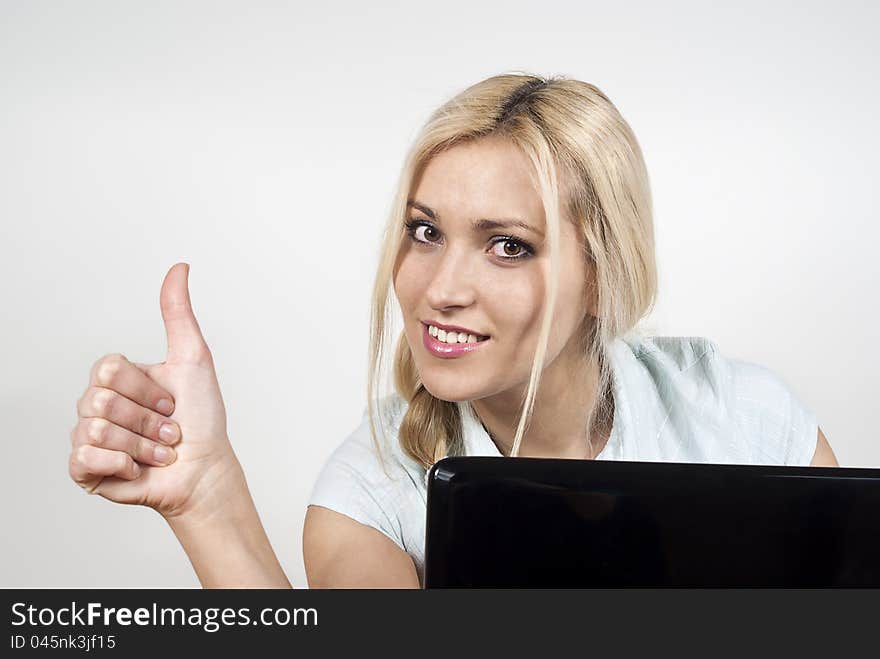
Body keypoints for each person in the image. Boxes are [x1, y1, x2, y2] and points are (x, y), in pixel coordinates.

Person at [67, 72, 838, 589]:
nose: (439, 290)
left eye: (508, 245)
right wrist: (209, 500)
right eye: (426, 231)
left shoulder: (747, 419)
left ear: (602, 273)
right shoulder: (373, 495)